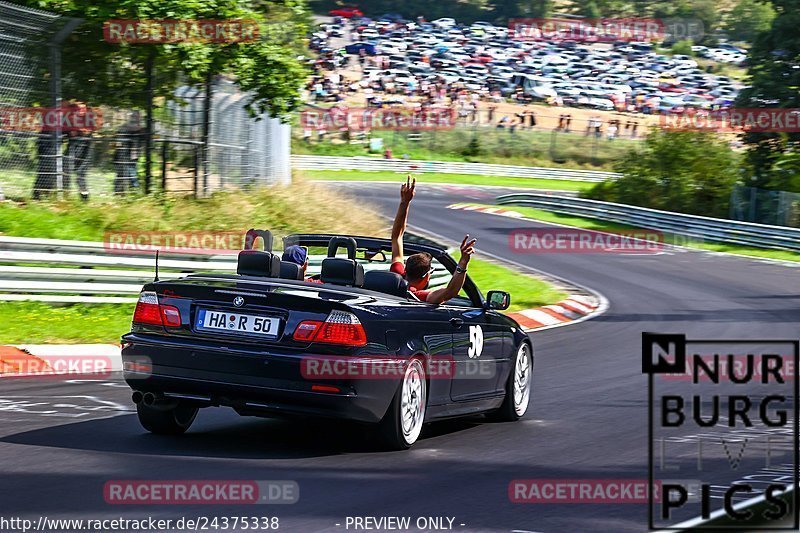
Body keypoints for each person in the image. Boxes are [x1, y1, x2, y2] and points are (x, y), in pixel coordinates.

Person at [389, 176, 476, 304]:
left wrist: (404, 202)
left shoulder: (393, 278)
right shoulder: (419, 297)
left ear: (405, 270)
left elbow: (397, 236)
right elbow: (450, 291)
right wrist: (463, 263)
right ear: (426, 276)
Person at [113, 111, 145, 194]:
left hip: (129, 156)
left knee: (131, 175)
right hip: (123, 155)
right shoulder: (125, 128)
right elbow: (118, 140)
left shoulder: (139, 130)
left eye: (136, 117)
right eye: (134, 117)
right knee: (123, 174)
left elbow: (140, 142)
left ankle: (132, 192)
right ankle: (121, 193)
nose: (135, 118)